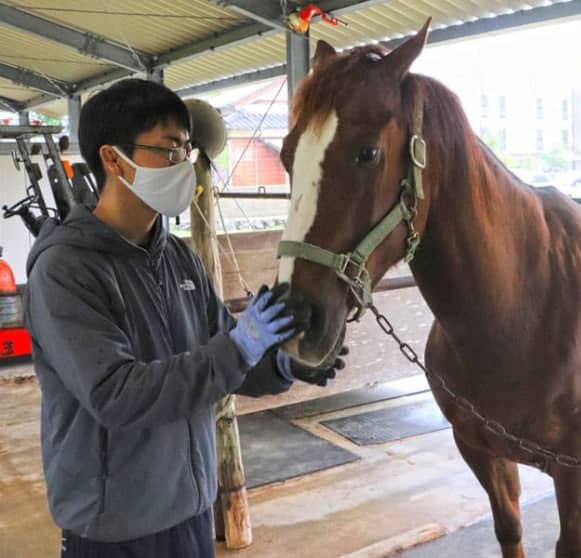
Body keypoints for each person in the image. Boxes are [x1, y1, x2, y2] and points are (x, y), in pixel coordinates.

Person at [23, 78, 342, 558]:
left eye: (188, 151)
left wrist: (284, 363)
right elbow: (118, 396)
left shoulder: (178, 257)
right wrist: (236, 348)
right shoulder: (66, 269)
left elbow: (223, 360)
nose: (185, 167)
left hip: (190, 510)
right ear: (113, 159)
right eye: (171, 150)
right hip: (115, 529)